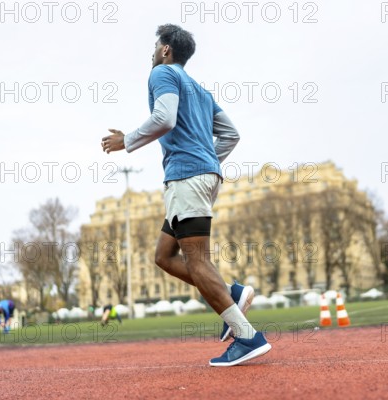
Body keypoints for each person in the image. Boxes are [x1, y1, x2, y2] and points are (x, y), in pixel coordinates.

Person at [101, 24, 270, 367]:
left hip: (187, 177)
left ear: (166, 50)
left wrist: (127, 141)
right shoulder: (201, 91)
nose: (152, 53)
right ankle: (233, 294)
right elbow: (231, 135)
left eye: (155, 46)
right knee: (164, 256)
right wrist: (209, 162)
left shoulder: (162, 73)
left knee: (197, 260)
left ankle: (246, 335)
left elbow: (164, 118)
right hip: (203, 177)